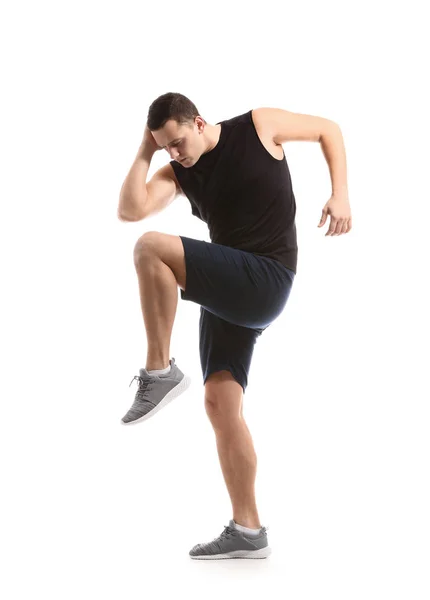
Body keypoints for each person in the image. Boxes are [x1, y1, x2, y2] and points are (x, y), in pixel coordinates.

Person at [117, 92, 352, 559]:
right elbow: (131, 208)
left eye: (178, 142)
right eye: (166, 149)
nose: (175, 154)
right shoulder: (178, 173)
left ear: (199, 122)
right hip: (228, 288)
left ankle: (159, 370)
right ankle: (248, 531)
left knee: (150, 248)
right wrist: (145, 150)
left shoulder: (259, 126)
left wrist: (340, 192)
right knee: (221, 405)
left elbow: (329, 128)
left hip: (266, 276)